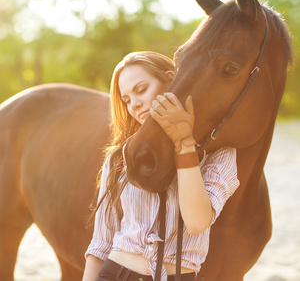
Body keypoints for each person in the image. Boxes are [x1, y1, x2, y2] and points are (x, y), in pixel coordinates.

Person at [82, 51, 239, 281]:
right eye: (126, 100)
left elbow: (197, 222)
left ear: (170, 80)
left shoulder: (219, 153)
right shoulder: (120, 157)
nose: (134, 104)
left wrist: (184, 144)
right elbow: (101, 243)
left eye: (141, 89)